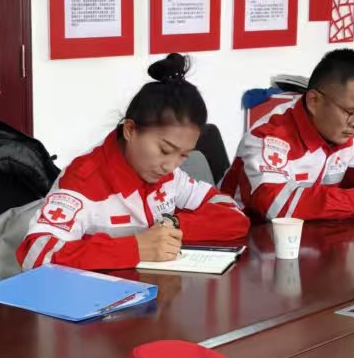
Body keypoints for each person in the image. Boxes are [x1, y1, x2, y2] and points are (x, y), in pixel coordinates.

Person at [18, 54, 248, 269]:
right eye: (165, 149)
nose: (170, 165)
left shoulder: (170, 177)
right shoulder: (83, 181)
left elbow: (234, 217)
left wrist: (174, 226)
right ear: (130, 130)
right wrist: (136, 248)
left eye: (183, 155)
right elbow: (36, 255)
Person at [222, 49, 354, 221]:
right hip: (250, 237)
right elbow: (277, 206)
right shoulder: (269, 136)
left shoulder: (342, 136)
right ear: (314, 101)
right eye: (350, 112)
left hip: (311, 237)